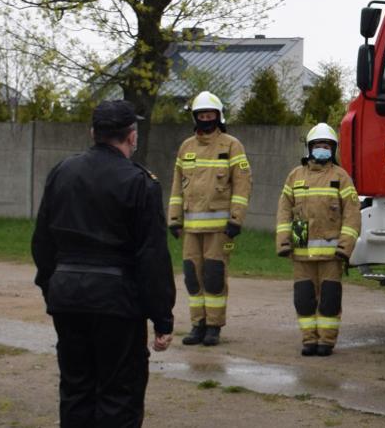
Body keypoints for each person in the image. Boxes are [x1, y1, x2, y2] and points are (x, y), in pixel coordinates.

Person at [31, 100, 175, 428]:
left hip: (68, 296)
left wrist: (52, 287)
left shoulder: (62, 172)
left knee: (76, 389)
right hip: (116, 302)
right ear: (132, 136)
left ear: (93, 132)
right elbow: (151, 256)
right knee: (119, 394)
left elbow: (43, 242)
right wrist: (162, 317)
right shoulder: (141, 182)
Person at [165, 91, 252, 347]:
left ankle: (214, 326)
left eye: (209, 115)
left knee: (214, 276)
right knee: (193, 277)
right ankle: (197, 324)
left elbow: (243, 184)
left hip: (220, 229)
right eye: (201, 115)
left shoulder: (231, 145)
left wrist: (236, 219)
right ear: (195, 117)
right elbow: (176, 187)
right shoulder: (186, 147)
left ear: (218, 116)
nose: (205, 119)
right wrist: (174, 218)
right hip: (191, 229)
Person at [277, 123, 361, 357]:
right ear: (309, 148)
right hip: (301, 247)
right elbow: (284, 210)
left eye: (326, 146)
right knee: (303, 298)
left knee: (329, 299)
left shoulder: (340, 177)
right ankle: (308, 340)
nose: (322, 149)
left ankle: (326, 341)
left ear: (333, 149)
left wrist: (345, 247)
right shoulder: (296, 176)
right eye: (318, 145)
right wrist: (284, 241)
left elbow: (353, 215)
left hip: (331, 252)